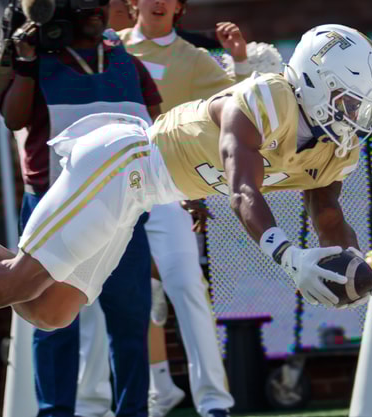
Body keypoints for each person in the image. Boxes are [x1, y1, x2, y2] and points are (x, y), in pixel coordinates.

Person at [0, 24, 372, 416]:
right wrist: (290, 257)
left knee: (48, 310)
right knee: (23, 280)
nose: (352, 114)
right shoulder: (265, 97)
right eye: (345, 98)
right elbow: (244, 189)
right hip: (123, 161)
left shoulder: (332, 149)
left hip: (145, 194)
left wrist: (348, 263)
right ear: (311, 79)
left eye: (359, 104)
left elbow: (329, 210)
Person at [0, 1, 163, 415]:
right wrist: (23, 62)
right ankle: (55, 413)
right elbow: (13, 119)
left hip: (122, 209)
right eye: (81, 3)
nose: (93, 9)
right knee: (52, 322)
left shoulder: (126, 59)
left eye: (99, 2)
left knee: (130, 319)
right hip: (54, 208)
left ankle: (133, 412)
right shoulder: (37, 58)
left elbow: (158, 126)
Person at [103, 0, 252, 415]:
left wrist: (240, 61)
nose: (158, 1)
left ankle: (213, 402)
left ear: (179, 7)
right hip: (112, 191)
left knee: (186, 288)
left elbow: (239, 103)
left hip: (168, 189)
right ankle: (156, 389)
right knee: (118, 293)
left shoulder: (193, 58)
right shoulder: (109, 47)